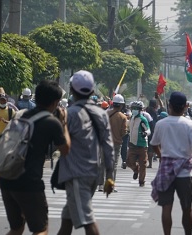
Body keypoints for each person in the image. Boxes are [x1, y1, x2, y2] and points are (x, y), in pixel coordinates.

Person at [0, 80, 70, 235]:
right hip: (29, 182)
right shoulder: (51, 122)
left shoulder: (20, 115)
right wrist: (63, 123)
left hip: (6, 178)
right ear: (56, 102)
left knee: (16, 228)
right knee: (41, 229)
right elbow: (65, 150)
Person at [57, 70, 115, 235]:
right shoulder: (101, 113)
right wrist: (109, 176)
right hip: (93, 174)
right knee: (67, 219)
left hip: (77, 174)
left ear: (72, 90)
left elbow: (61, 144)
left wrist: (61, 123)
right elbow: (108, 146)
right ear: (92, 91)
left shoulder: (71, 114)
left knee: (87, 221)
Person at [150, 91, 192, 235]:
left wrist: (162, 157)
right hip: (185, 171)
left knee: (166, 208)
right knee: (187, 208)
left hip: (165, 170)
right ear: (186, 106)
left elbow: (153, 144)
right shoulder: (190, 125)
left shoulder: (161, 124)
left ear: (169, 105)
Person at [106, 94, 128, 189]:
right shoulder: (123, 117)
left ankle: (100, 185)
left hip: (105, 142)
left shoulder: (106, 113)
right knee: (114, 164)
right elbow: (124, 132)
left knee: (103, 163)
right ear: (121, 105)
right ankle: (111, 185)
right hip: (116, 143)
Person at [127, 101, 150, 187]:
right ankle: (136, 170)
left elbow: (148, 130)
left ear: (140, 110)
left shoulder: (142, 119)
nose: (134, 110)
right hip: (132, 144)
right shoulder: (131, 118)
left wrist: (145, 133)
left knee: (143, 164)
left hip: (142, 146)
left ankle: (141, 181)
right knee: (129, 162)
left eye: (136, 109)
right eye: (133, 109)